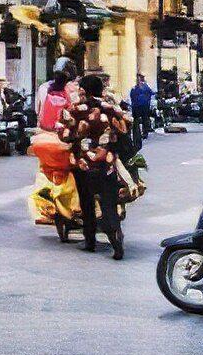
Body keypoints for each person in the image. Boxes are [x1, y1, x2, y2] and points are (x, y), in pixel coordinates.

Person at [55, 74, 131, 259]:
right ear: (101, 90)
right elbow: (126, 126)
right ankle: (115, 237)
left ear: (83, 90)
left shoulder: (75, 109)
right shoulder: (111, 108)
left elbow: (64, 134)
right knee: (108, 203)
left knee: (87, 203)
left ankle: (90, 241)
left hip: (83, 165)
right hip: (107, 163)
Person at [129, 74, 157, 143]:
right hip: (138, 105)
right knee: (138, 120)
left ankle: (144, 133)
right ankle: (139, 133)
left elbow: (150, 93)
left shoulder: (143, 87)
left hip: (142, 105)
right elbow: (132, 95)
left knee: (143, 119)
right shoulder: (136, 87)